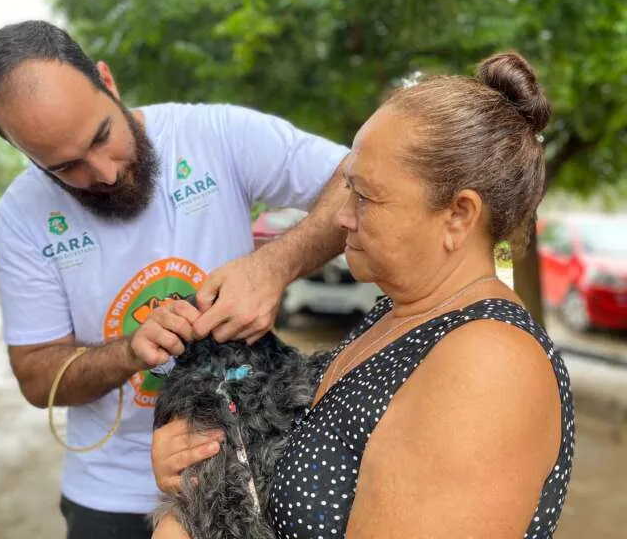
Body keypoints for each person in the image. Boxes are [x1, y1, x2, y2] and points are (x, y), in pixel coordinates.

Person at [151, 52, 575, 538]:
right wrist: (202, 470)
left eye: (366, 197)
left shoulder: (489, 364)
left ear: (458, 215)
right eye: (348, 189)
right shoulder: (400, 316)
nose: (341, 217)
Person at [0, 20, 348, 539]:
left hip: (245, 467)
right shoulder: (22, 213)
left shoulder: (216, 136)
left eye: (102, 136)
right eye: (64, 167)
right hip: (109, 496)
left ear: (107, 80)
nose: (102, 172)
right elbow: (37, 375)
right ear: (23, 151)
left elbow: (360, 182)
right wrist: (127, 352)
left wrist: (273, 265)